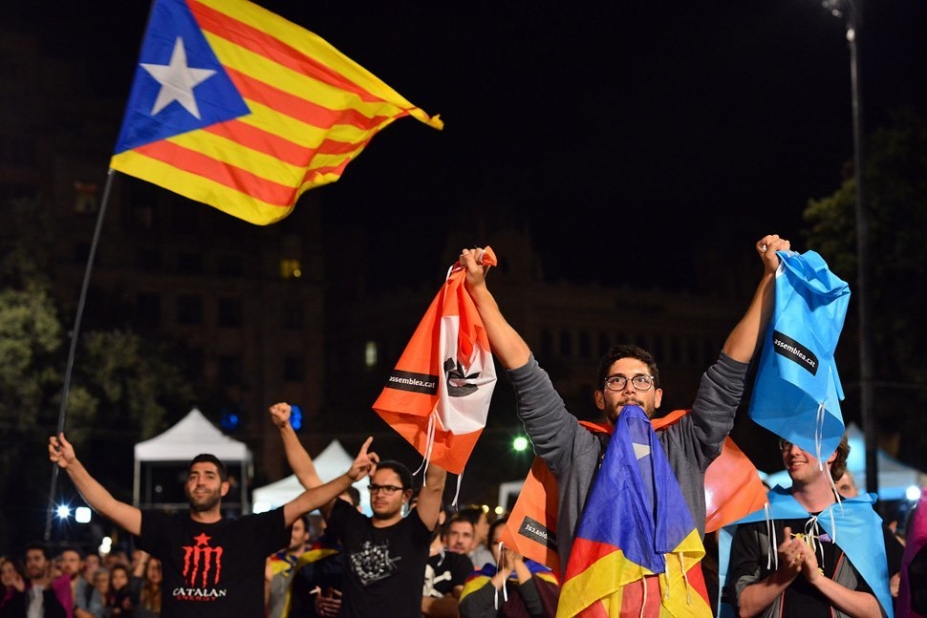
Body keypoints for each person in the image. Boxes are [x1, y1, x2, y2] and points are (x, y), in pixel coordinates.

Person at [458, 235, 785, 579]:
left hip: (674, 603)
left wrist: (769, 277)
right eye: (617, 381)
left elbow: (730, 369)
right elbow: (526, 375)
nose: (629, 388)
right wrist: (479, 291)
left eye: (641, 380)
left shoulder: (686, 443)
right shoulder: (574, 448)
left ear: (658, 397)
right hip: (593, 601)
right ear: (600, 399)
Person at [48, 431, 375, 618]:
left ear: (224, 488)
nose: (200, 482)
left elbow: (305, 502)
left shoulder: (249, 531)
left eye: (208, 476)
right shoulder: (167, 529)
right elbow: (108, 506)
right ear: (187, 487)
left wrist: (348, 477)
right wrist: (72, 464)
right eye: (194, 476)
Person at [269, 402, 446, 618]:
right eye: (375, 487)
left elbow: (435, 485)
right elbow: (309, 478)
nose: (380, 494)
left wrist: (440, 424)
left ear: (406, 496)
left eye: (389, 488)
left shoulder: (415, 529)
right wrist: (285, 427)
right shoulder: (352, 524)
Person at [724, 436, 897, 617]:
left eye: (803, 443)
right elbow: (743, 607)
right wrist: (785, 573)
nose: (793, 452)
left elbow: (880, 611)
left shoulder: (863, 523)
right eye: (787, 444)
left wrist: (817, 579)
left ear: (832, 453)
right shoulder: (759, 520)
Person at [459, 517, 559, 618]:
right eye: (496, 542)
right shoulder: (480, 578)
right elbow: (469, 611)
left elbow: (542, 610)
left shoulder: (543, 576)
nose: (504, 547)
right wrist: (506, 570)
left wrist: (517, 563)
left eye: (511, 541)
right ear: (489, 549)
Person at [422, 511, 473, 617]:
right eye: (454, 534)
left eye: (466, 535)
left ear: (473, 542)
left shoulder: (465, 563)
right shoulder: (419, 559)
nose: (459, 541)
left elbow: (460, 607)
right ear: (445, 537)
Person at [0, 542, 72, 617]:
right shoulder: (20, 590)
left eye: (37, 559)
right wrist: (20, 594)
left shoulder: (58, 588)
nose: (32, 563)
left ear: (47, 562)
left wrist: (48, 591)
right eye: (29, 559)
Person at [58, 546, 104, 618]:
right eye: (63, 560)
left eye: (72, 560)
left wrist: (73, 606)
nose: (67, 564)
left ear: (81, 564)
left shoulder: (89, 590)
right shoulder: (53, 588)